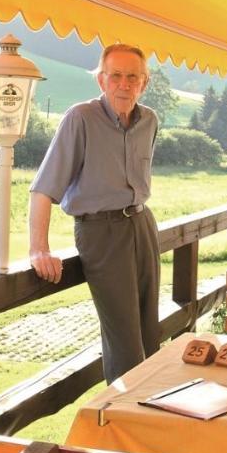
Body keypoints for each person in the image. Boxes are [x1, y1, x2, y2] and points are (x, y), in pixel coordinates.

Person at [28, 42, 159, 383]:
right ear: (101, 80)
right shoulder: (81, 118)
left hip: (143, 225)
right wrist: (39, 249)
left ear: (143, 83)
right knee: (125, 344)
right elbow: (44, 189)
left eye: (133, 77)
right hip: (101, 233)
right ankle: (121, 427)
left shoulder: (150, 121)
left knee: (149, 333)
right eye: (115, 75)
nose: (124, 84)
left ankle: (156, 421)